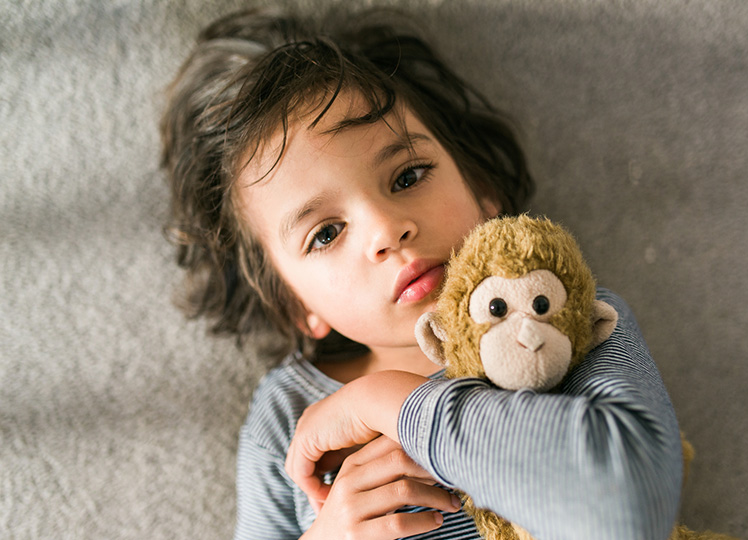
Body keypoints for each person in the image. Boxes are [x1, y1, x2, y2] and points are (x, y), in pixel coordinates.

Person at [160, 6, 683, 540]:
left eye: (408, 175)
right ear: (297, 305)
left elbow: (632, 511)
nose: (386, 229)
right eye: (325, 233)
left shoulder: (563, 317)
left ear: (481, 188)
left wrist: (390, 402)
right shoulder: (289, 415)